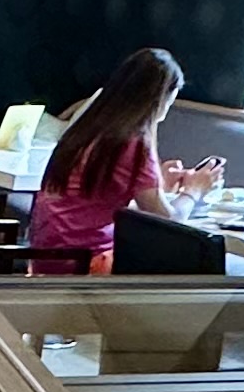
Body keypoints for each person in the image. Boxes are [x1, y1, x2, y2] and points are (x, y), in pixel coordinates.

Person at [23, 48, 221, 276]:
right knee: (183, 261)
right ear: (162, 98)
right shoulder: (132, 140)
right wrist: (193, 191)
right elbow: (169, 222)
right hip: (85, 263)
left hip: (46, 258)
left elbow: (96, 201)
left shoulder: (90, 126)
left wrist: (159, 184)